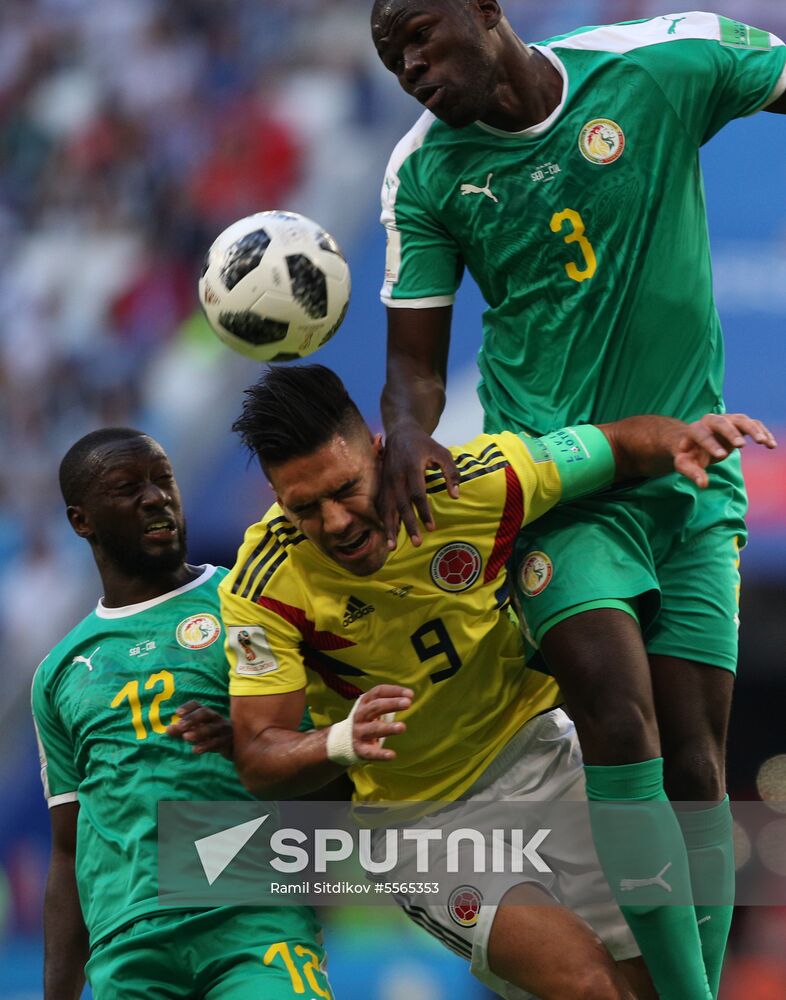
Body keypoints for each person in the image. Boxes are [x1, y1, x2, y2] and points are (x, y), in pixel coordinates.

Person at [370, 4, 786, 996]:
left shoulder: (657, 67)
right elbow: (414, 367)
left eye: (421, 35)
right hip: (560, 484)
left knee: (696, 766)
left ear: (486, 10)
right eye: (392, 58)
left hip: (691, 476)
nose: (410, 66)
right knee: (617, 718)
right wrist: (411, 433)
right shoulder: (423, 172)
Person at [221, 364, 773, 1000]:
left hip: (549, 759)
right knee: (589, 989)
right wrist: (340, 741)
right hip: (421, 825)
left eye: (346, 489)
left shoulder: (472, 483)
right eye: (305, 509)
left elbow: (616, 444)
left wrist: (679, 437)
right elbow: (258, 755)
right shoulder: (264, 586)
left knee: (650, 982)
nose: (337, 521)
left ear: (378, 451)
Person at [31, 428, 332, 1000]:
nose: (155, 497)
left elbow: (324, 769)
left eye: (162, 480)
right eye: (128, 487)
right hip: (127, 945)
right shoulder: (59, 672)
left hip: (250, 916)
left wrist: (245, 743)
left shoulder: (246, 606)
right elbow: (67, 851)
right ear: (81, 521)